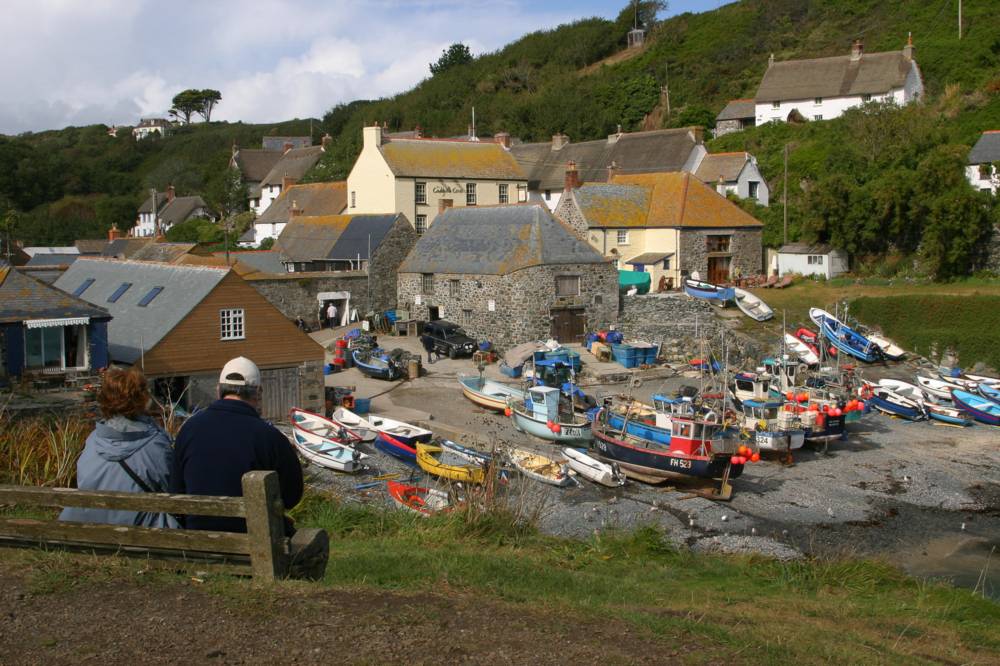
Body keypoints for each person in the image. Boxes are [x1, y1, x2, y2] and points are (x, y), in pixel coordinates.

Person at [170, 357, 303, 534]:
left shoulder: (188, 430)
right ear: (258, 392)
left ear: (218, 390)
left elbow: (175, 491)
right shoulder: (269, 437)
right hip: (255, 541)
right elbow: (291, 498)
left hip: (198, 539)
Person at [60, 368, 177, 528]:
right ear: (142, 398)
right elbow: (172, 489)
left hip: (94, 526)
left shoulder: (93, 441)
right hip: (143, 530)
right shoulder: (155, 443)